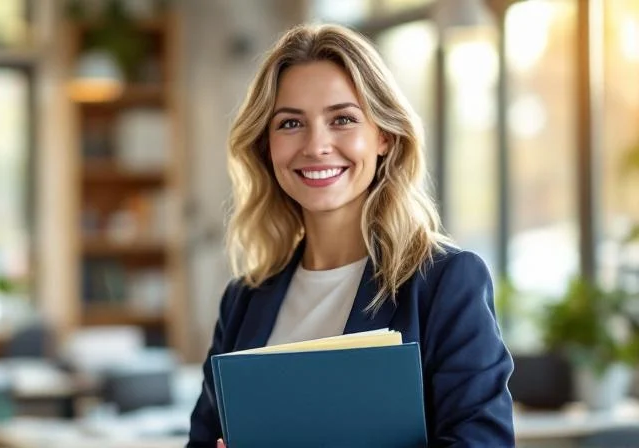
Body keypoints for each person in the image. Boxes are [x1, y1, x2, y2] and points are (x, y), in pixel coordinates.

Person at [187, 23, 514, 447]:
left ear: (383, 136)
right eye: (290, 123)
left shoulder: (444, 283)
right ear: (266, 146)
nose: (316, 145)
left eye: (342, 118)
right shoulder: (244, 300)